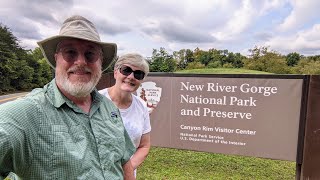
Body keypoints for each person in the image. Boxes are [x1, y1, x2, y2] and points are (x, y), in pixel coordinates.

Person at [0, 15, 136, 180]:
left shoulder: (110, 109)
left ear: (100, 61)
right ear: (56, 58)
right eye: (70, 52)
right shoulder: (27, 113)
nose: (80, 61)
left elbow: (124, 162)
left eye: (90, 54)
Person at [99, 53, 151, 177]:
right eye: (126, 70)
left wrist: (127, 170)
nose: (131, 76)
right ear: (116, 72)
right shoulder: (96, 101)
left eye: (138, 74)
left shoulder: (142, 107)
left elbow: (144, 146)